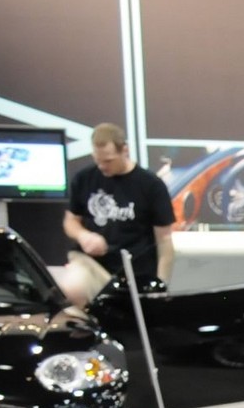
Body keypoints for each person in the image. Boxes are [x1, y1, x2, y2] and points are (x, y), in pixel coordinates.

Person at [59, 122, 176, 306]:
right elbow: (70, 222)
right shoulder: (84, 179)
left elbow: (164, 241)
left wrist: (161, 284)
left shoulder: (151, 185)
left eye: (108, 161)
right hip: (91, 264)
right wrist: (84, 236)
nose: (102, 167)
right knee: (71, 289)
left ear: (125, 150)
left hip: (135, 272)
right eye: (97, 160)